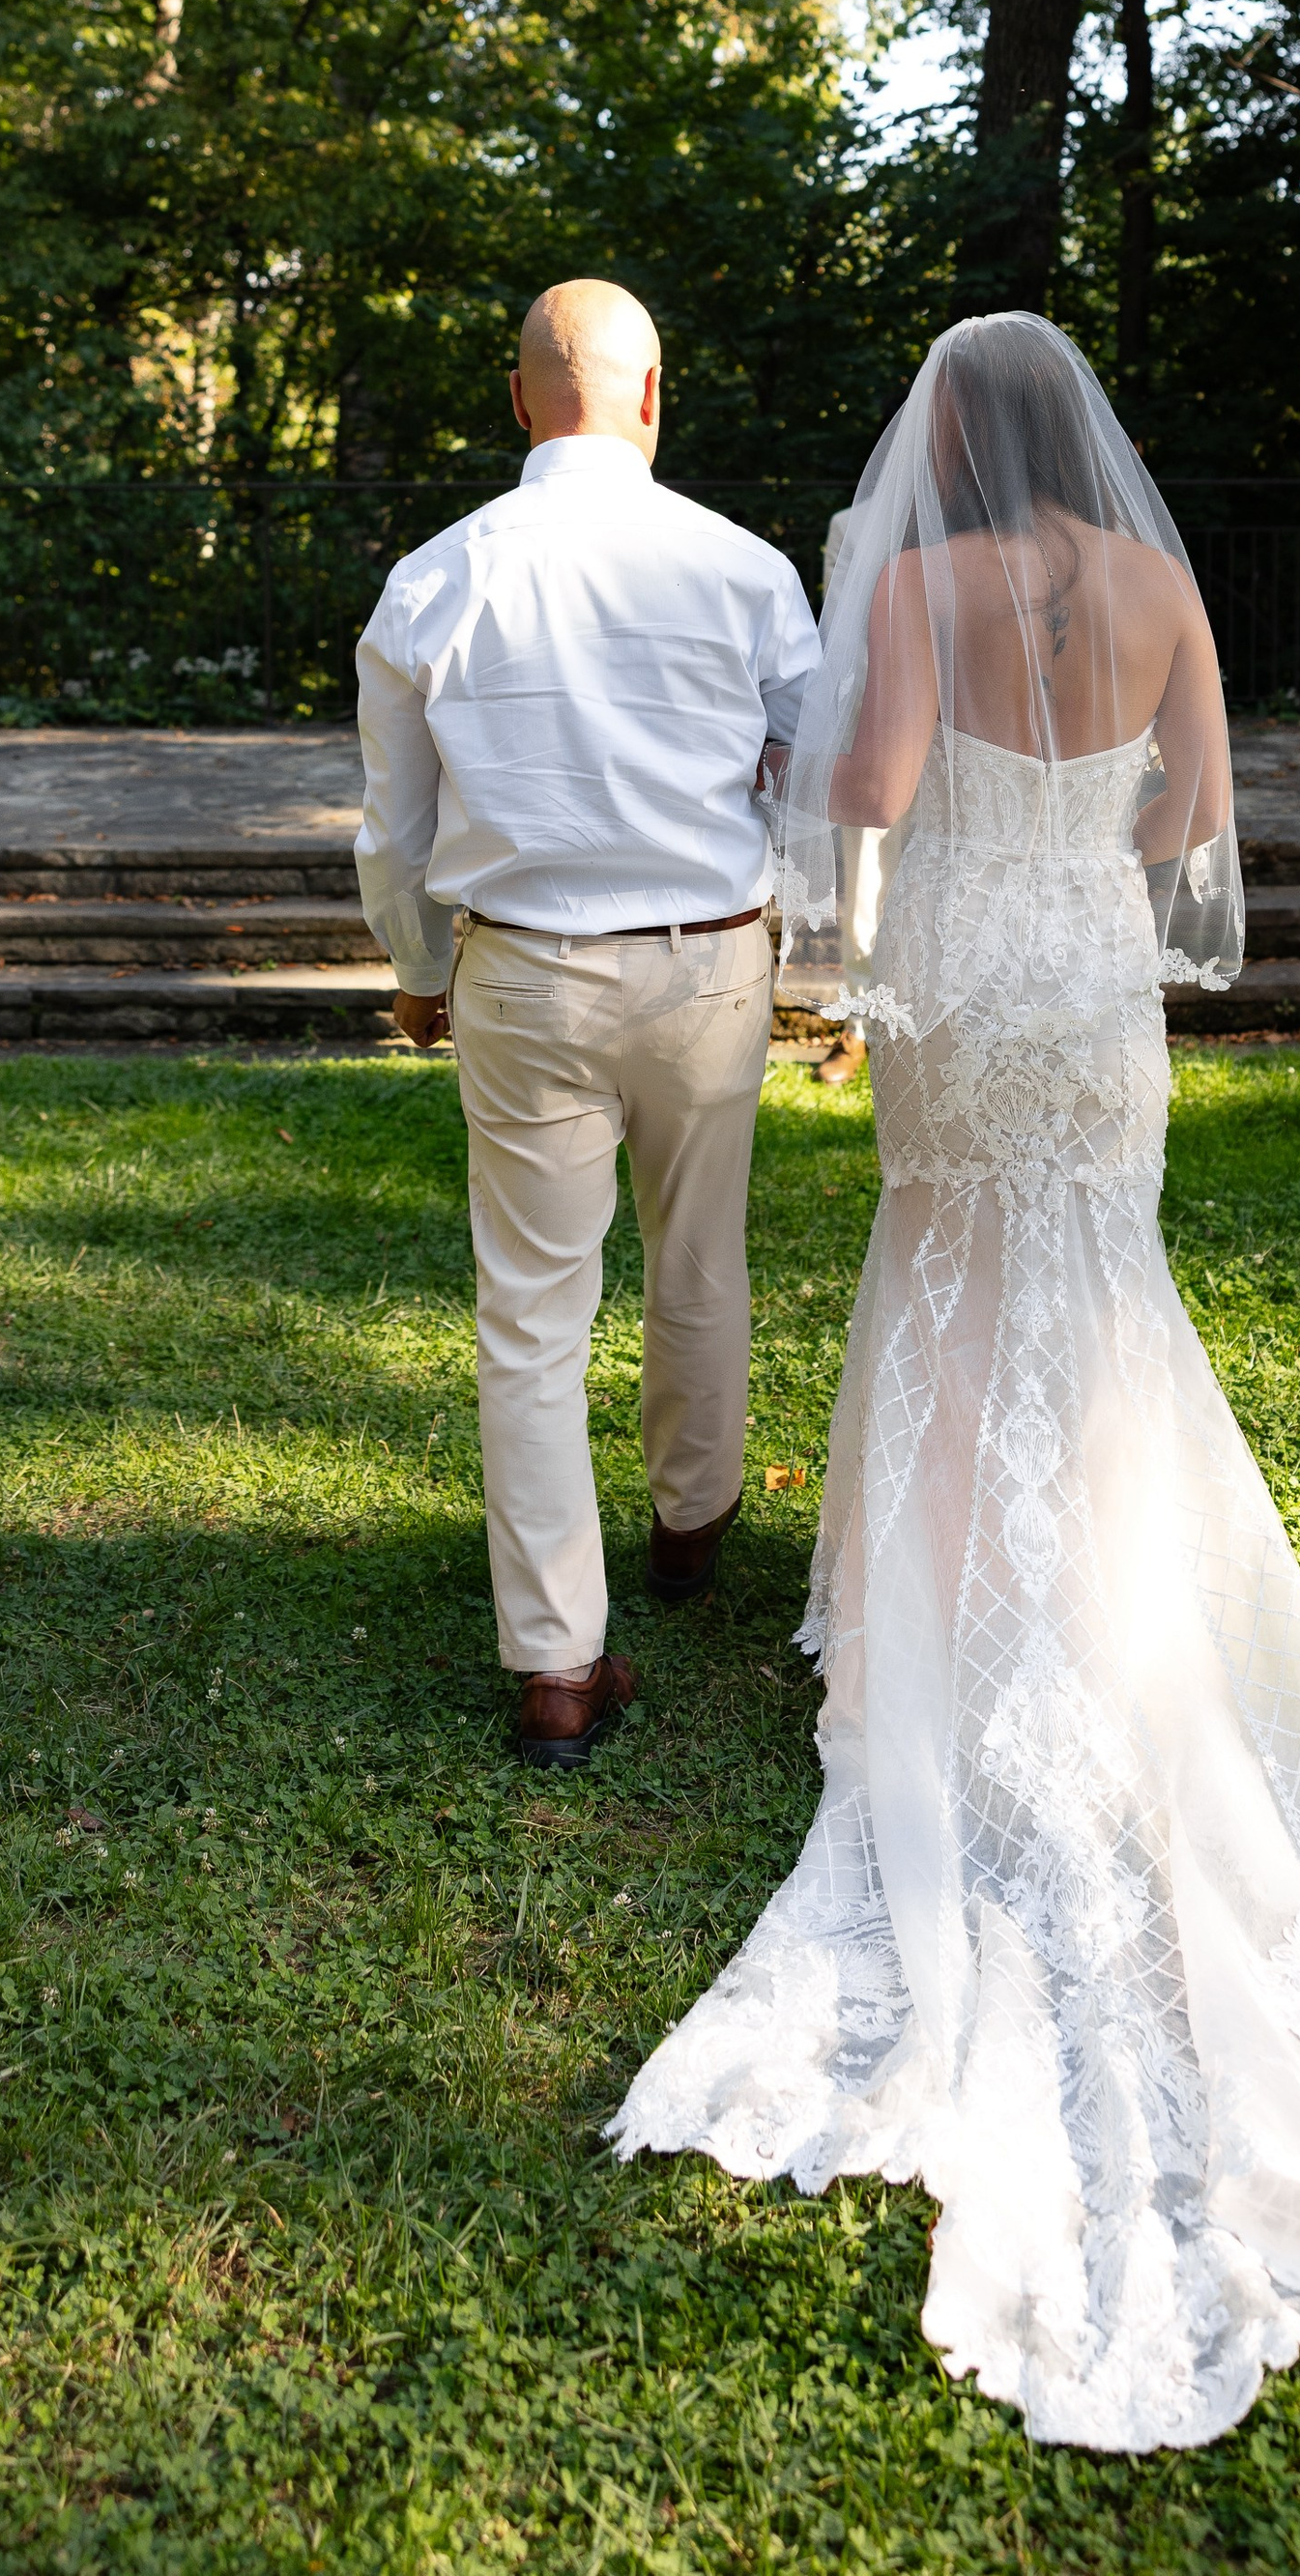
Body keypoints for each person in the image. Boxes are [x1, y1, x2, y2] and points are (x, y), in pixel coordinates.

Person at [610, 313, 1300, 2448]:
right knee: (1099, 1297)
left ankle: (943, 1609)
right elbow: (1195, 805)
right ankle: (1117, 1595)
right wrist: (1088, 813)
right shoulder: (1161, 584)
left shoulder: (912, 587)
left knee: (951, 1287)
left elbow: (873, 796)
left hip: (962, 981)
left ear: (941, 447)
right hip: (1088, 970)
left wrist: (813, 815)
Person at [353, 279, 821, 1770]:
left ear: (516, 402)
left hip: (525, 972)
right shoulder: (743, 568)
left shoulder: (438, 575)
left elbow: (391, 826)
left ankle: (556, 1659)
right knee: (701, 1253)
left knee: (531, 1312)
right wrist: (801, 945)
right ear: (654, 392)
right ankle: (690, 1527)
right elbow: (806, 781)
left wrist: (418, 965)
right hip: (704, 964)